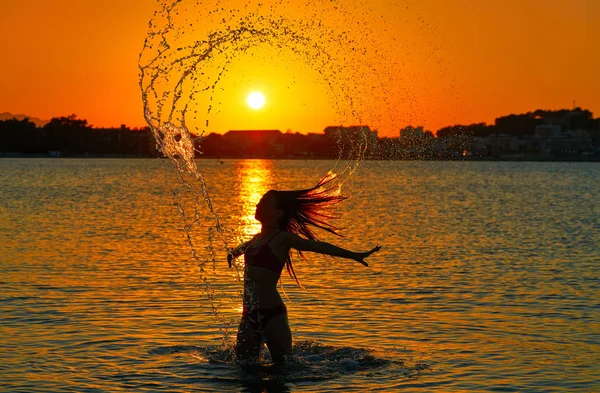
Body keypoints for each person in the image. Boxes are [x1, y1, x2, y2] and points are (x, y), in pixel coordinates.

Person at [227, 174, 381, 365]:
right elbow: (238, 251)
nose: (258, 204)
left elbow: (319, 246)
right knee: (244, 369)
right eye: (259, 200)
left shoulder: (282, 239)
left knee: (283, 369)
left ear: (278, 213)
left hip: (273, 315)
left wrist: (354, 255)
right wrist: (231, 255)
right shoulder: (254, 240)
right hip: (248, 315)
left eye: (265, 202)